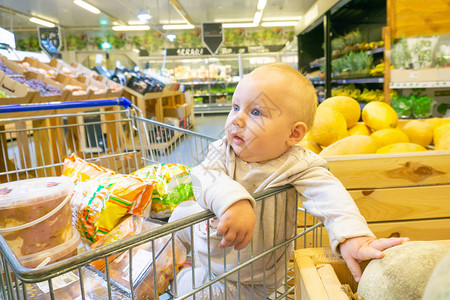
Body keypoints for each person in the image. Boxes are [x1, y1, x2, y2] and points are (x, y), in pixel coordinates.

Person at [168, 63, 408, 299]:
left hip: (247, 279)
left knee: (187, 290)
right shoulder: (223, 149)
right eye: (235, 106)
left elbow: (331, 197)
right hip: (213, 246)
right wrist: (234, 201)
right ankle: (162, 262)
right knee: (180, 215)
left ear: (293, 134)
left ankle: (181, 275)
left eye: (255, 113)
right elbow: (202, 175)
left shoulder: (298, 165)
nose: (236, 120)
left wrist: (353, 236)